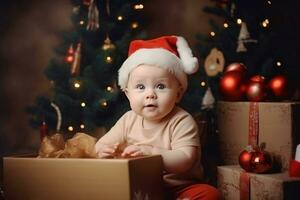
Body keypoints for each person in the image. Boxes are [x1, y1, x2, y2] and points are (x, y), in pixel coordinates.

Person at [95, 36, 221, 200]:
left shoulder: (182, 120)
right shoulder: (128, 119)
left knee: (210, 194)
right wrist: (102, 150)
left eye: (160, 86)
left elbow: (185, 159)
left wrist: (151, 153)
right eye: (140, 87)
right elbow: (102, 144)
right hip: (142, 189)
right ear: (128, 94)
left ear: (178, 93)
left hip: (179, 188)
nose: (150, 95)